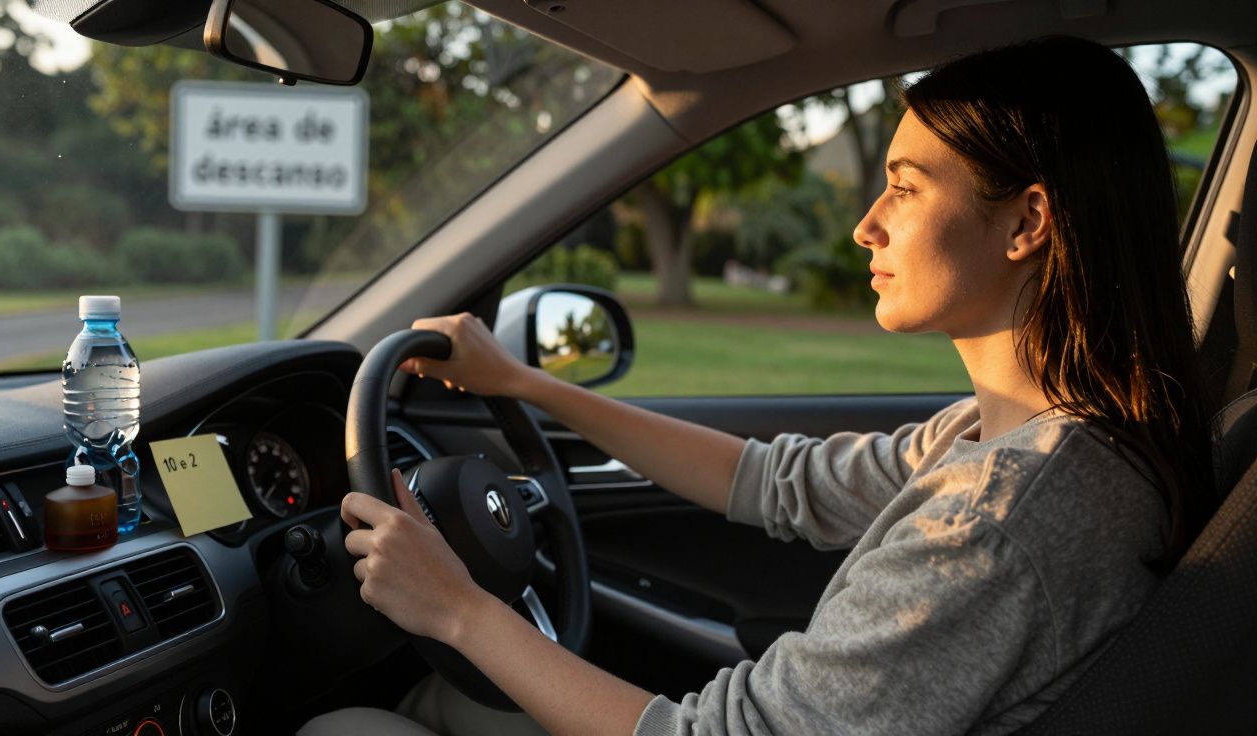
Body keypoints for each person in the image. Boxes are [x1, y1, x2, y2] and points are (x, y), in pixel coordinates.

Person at [299, 35, 1217, 735]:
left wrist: (456, 609)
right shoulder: (1011, 441)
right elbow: (775, 482)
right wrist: (527, 384)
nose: (866, 225)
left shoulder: (995, 523)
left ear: (1027, 222)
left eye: (904, 187)